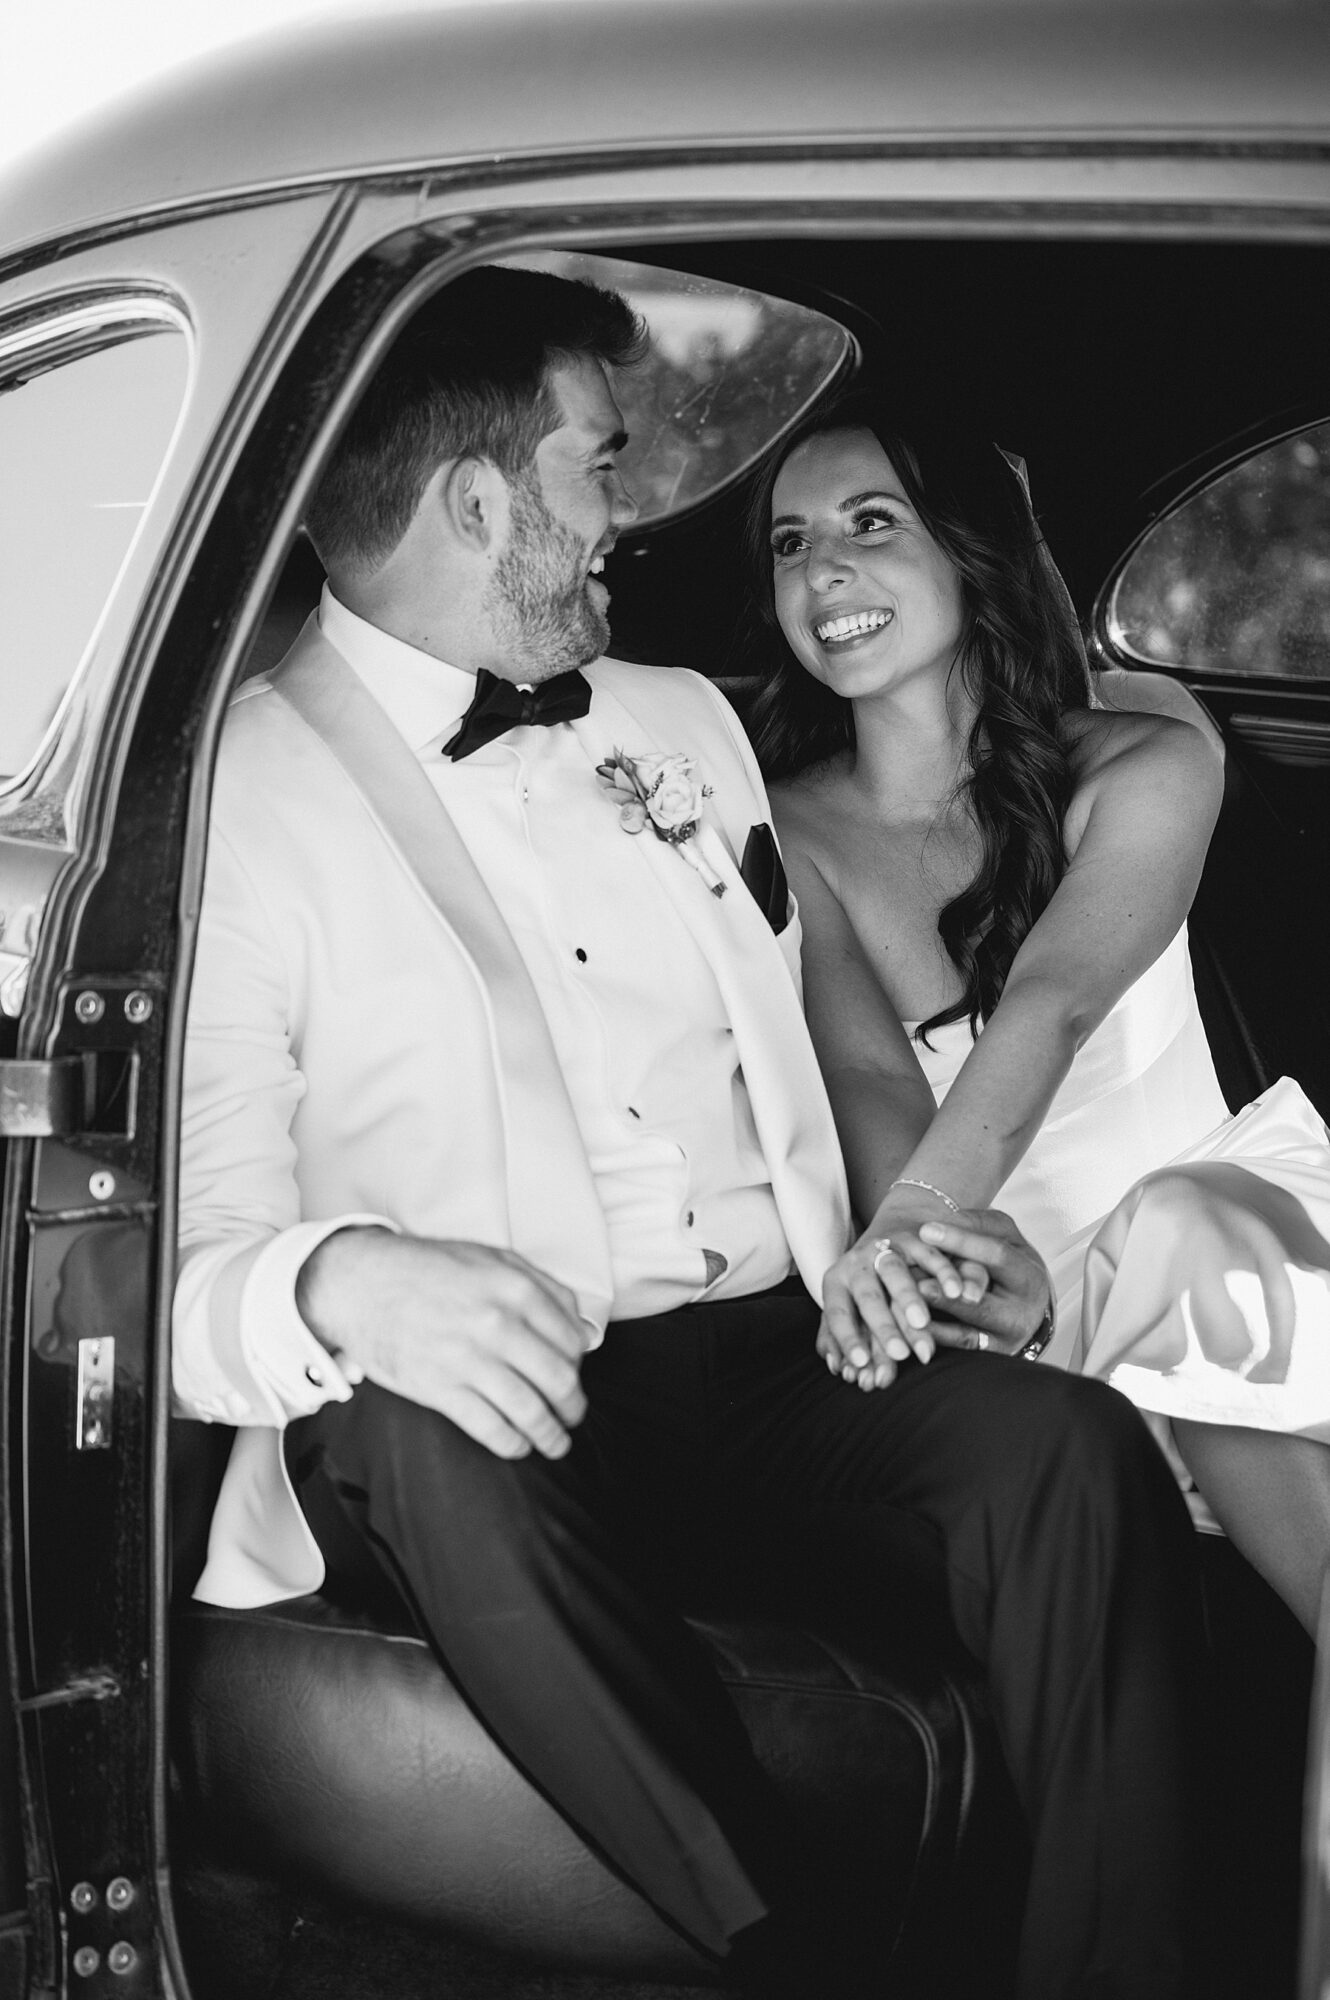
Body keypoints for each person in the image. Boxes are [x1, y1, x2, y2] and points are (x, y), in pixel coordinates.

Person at [174, 268, 1210, 1999]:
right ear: (481, 501)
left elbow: (845, 1067)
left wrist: (922, 1243)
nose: (627, 526)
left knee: (1063, 1452)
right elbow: (180, 1273)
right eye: (601, 470)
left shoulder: (683, 725)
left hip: (761, 1362)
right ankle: (786, 1955)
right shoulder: (236, 803)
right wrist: (350, 1282)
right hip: (504, 1410)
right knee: (404, 1425)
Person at [745, 389, 1330, 1637]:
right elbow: (868, 1083)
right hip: (1017, 1317)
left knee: (1187, 1231)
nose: (823, 566)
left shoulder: (1147, 760)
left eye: (869, 520)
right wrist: (957, 1288)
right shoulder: (785, 831)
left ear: (969, 548)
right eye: (790, 541)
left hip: (1247, 1270)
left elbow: (1055, 1003)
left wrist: (913, 1222)